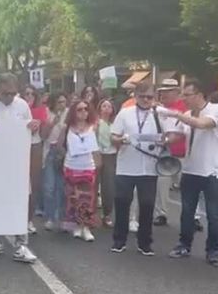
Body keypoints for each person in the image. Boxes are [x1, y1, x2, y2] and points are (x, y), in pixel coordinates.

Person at [165, 80, 218, 267]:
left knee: (213, 213)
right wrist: (164, 138)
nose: (184, 99)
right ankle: (184, 245)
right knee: (187, 211)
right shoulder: (185, 114)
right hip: (191, 169)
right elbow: (177, 134)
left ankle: (213, 251)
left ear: (199, 95)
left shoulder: (216, 110)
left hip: (213, 171)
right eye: (183, 95)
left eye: (187, 95)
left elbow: (202, 124)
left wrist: (177, 115)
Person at [0, 73, 38, 264]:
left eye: (13, 93)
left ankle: (21, 244)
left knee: (20, 200)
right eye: (6, 93)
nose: (9, 97)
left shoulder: (22, 105)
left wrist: (34, 126)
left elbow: (30, 130)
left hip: (17, 162)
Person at [110, 83, 173, 256]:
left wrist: (165, 141)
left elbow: (171, 134)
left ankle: (145, 242)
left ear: (154, 98)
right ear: (135, 96)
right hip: (126, 166)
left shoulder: (160, 114)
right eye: (142, 96)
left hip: (149, 168)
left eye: (150, 97)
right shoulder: (125, 113)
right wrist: (120, 139)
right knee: (122, 202)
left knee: (147, 205)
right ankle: (119, 240)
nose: (146, 100)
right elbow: (113, 136)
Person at [60, 100, 100, 242]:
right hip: (71, 165)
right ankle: (76, 224)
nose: (83, 112)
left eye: (85, 109)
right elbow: (60, 144)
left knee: (87, 198)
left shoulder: (93, 127)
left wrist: (98, 163)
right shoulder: (67, 127)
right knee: (73, 197)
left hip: (87, 166)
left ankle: (86, 226)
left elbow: (96, 147)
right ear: (74, 112)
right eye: (79, 109)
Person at [154, 79, 188, 226]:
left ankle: (194, 216)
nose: (163, 94)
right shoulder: (156, 110)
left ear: (176, 92)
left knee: (188, 187)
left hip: (183, 153)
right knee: (161, 186)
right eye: (161, 91)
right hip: (164, 154)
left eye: (167, 91)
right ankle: (161, 213)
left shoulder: (185, 108)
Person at [41, 92, 68, 231]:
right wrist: (52, 123)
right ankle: (50, 217)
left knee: (62, 187)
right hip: (49, 152)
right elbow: (43, 135)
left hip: (64, 152)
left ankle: (62, 218)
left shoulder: (69, 114)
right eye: (59, 102)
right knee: (49, 187)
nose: (62, 105)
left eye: (64, 102)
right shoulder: (46, 113)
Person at [22, 85, 45, 234]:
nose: (29, 96)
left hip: (34, 146)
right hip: (18, 148)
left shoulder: (41, 110)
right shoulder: (16, 108)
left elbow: (43, 133)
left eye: (32, 94)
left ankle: (29, 219)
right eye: (26, 94)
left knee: (33, 184)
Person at [96, 99, 117, 228]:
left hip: (111, 155)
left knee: (108, 186)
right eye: (104, 106)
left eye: (109, 106)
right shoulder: (96, 122)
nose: (106, 108)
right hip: (98, 154)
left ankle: (107, 214)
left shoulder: (115, 124)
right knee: (93, 185)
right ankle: (90, 214)